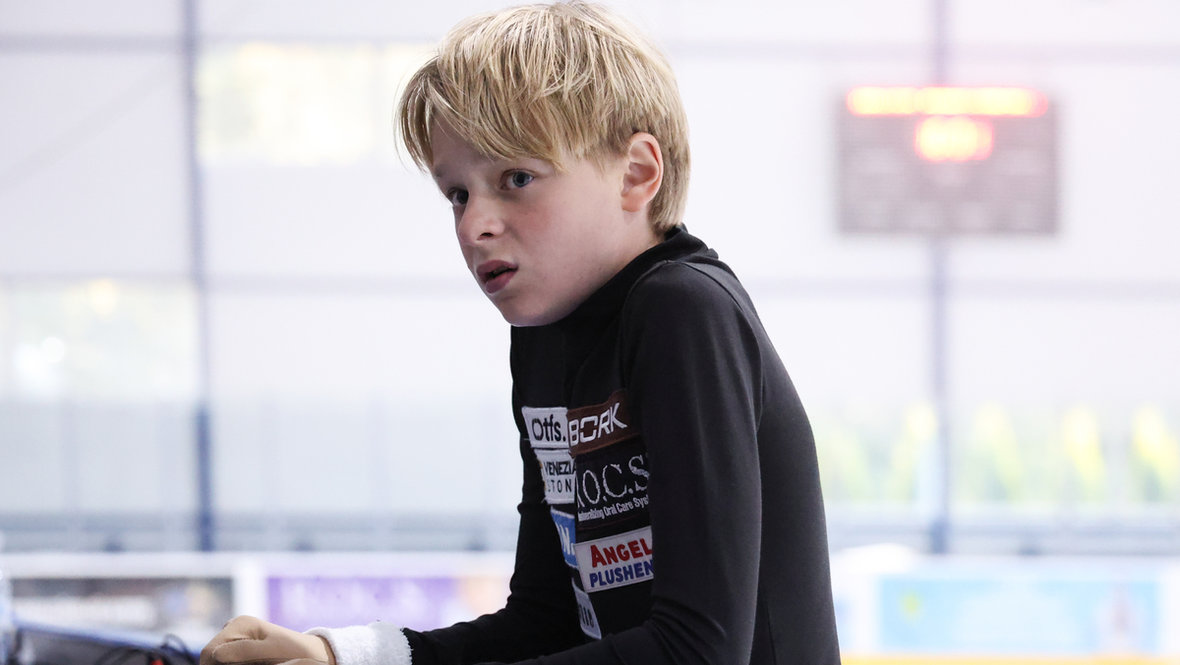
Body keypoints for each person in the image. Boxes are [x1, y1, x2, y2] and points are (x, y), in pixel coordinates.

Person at [200, 2, 841, 664]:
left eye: (516, 179)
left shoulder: (683, 310)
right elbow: (546, 620)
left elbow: (696, 652)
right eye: (457, 193)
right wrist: (342, 654)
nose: (474, 224)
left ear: (636, 174)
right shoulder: (543, 340)